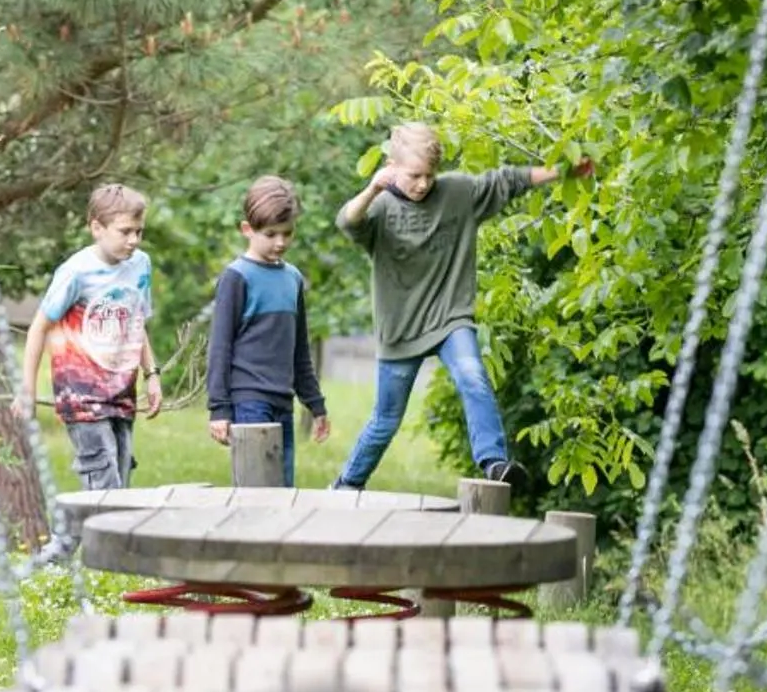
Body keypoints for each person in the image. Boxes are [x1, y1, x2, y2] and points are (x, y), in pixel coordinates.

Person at [332, 122, 592, 493]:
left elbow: (508, 180)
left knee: (472, 375)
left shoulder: (457, 192)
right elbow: (348, 221)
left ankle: (494, 462)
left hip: (450, 318)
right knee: (385, 421)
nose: (423, 184)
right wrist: (374, 187)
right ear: (392, 166)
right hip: (401, 329)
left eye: (429, 175)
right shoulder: (381, 209)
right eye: (414, 175)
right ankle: (347, 484)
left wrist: (562, 170)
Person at [19, 183, 161, 490]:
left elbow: (137, 322)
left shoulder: (140, 265)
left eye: (139, 231)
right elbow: (38, 328)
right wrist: (27, 389)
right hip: (81, 393)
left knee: (121, 483)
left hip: (122, 392)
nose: (134, 240)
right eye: (125, 231)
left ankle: (69, 539)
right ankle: (78, 538)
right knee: (103, 486)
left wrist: (152, 374)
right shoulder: (76, 272)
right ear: (97, 227)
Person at [206, 176, 332, 485]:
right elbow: (220, 347)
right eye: (270, 234)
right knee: (255, 488)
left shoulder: (293, 279)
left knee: (283, 488)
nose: (280, 242)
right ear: (247, 229)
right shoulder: (236, 278)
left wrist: (315, 404)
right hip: (248, 402)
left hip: (282, 402)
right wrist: (219, 409)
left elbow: (299, 350)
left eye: (287, 233)